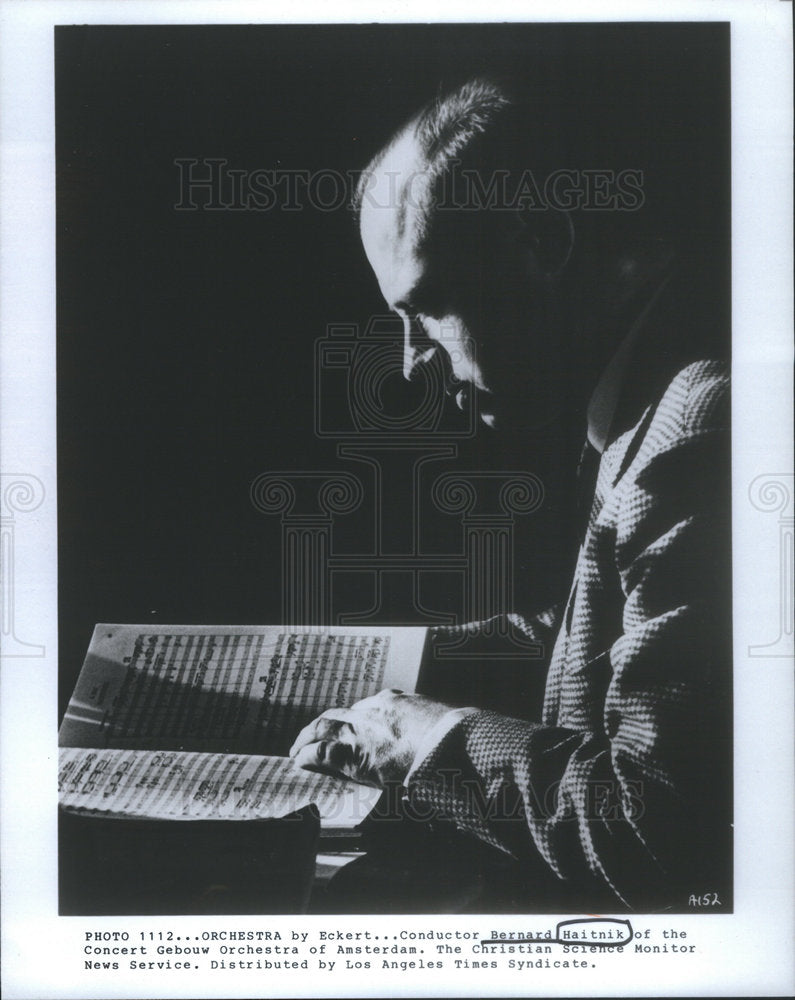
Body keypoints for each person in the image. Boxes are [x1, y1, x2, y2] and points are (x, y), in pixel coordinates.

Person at [290, 79, 731, 912]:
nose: (409, 359)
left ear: (541, 241)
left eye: (427, 307)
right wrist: (397, 670)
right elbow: (609, 653)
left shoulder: (698, 432)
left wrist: (427, 741)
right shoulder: (659, 385)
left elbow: (655, 829)